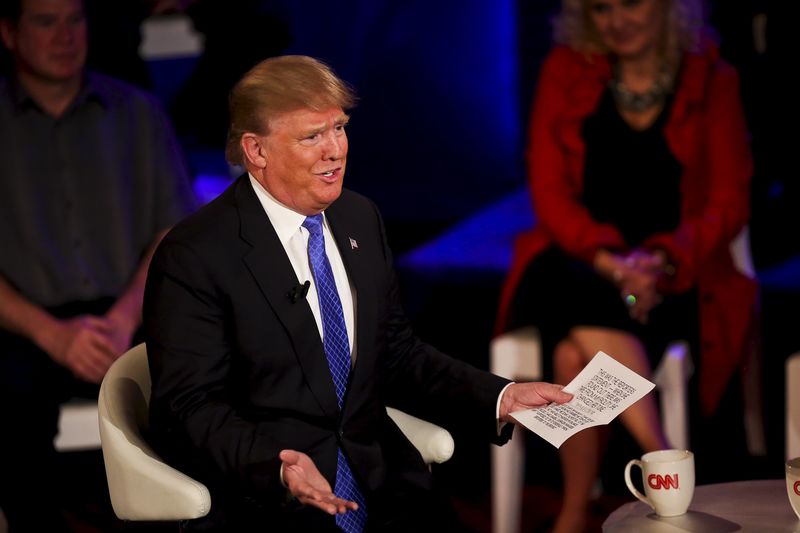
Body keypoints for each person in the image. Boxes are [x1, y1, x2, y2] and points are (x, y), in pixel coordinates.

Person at [143, 54, 573, 532]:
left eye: (340, 128)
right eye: (312, 136)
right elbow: (189, 406)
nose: (335, 150)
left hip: (380, 480)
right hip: (266, 501)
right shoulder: (196, 254)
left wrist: (501, 396)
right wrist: (276, 467)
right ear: (256, 150)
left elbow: (395, 352)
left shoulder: (358, 218)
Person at [494, 0, 758, 531]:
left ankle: (571, 515)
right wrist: (613, 265)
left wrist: (660, 261)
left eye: (632, 3)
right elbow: (548, 192)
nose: (617, 20)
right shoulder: (565, 70)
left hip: (672, 278)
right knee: (570, 285)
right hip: (582, 262)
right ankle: (662, 459)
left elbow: (729, 200)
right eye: (601, 7)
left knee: (574, 353)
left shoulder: (713, 78)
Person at [0, 0, 196, 530]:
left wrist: (125, 314)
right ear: (9, 33)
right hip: (24, 321)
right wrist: (53, 334)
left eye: (76, 19)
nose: (65, 35)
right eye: (45, 21)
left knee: (199, 380)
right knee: (11, 408)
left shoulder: (138, 112)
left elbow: (173, 229)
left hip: (130, 308)